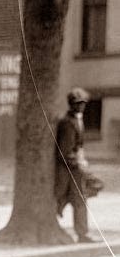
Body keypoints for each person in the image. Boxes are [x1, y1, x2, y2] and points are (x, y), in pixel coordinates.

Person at [54, 87, 95, 243]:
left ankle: (82, 233)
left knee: (80, 198)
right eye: (77, 103)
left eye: (82, 103)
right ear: (71, 104)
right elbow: (64, 152)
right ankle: (81, 233)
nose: (80, 106)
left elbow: (78, 146)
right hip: (67, 170)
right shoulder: (67, 123)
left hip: (75, 168)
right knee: (66, 198)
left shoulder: (78, 120)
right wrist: (79, 164)